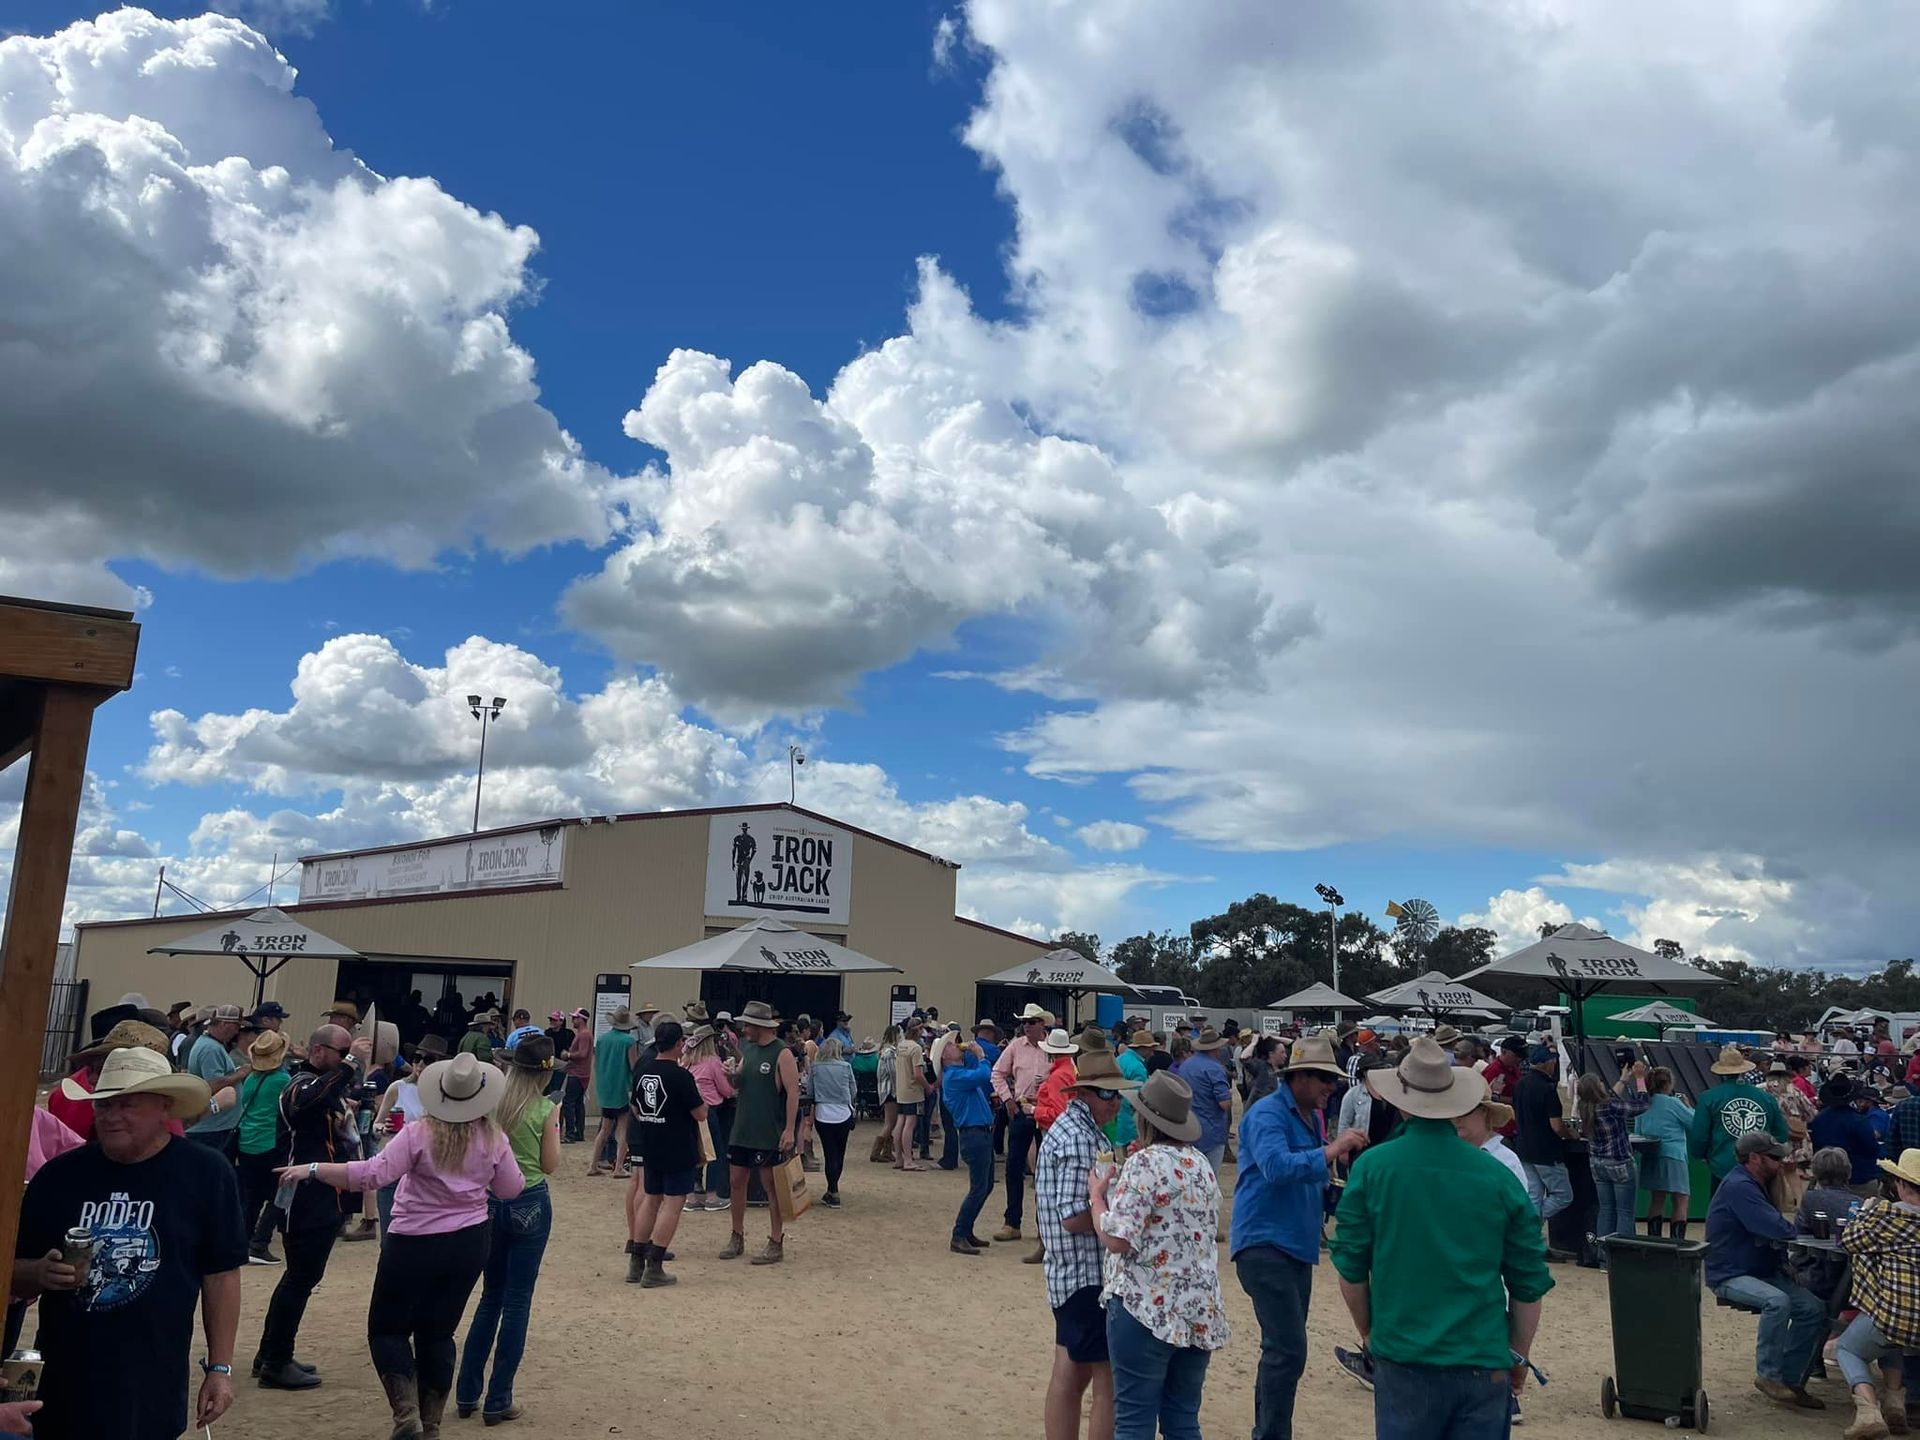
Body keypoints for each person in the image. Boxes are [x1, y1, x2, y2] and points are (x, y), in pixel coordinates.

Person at [281, 1051, 524, 1438]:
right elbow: (511, 1189)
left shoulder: (418, 1132)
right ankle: (430, 1423)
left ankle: (405, 1413)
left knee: (387, 1329)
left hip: (413, 1241)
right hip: (468, 1241)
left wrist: (314, 1169)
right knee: (439, 1333)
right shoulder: (493, 1137)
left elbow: (372, 1175)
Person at [16, 1046, 244, 1440]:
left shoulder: (205, 1173)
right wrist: (37, 1273)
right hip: (66, 1379)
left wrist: (220, 1369)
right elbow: (11, 1272)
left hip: (152, 1379)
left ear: (163, 1108)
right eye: (103, 1105)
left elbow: (221, 1275)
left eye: (127, 1105)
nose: (110, 1117)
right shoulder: (58, 1177)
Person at [1330, 1036, 1553, 1440]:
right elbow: (1529, 1282)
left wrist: (1369, 1333)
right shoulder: (1497, 1177)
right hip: (1481, 1358)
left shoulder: (1373, 1169)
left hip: (1402, 1352)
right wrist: (1518, 1355)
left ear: (1400, 1102)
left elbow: (1350, 1267)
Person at [1233, 1032, 1368, 1440]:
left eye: (1333, 1081)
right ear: (1299, 1078)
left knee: (1282, 1351)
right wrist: (1333, 1150)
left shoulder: (1310, 1116)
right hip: (1264, 1243)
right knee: (1287, 1350)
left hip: (1291, 1244)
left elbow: (1302, 1174)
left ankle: (1270, 1432)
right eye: (1324, 1080)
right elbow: (1276, 1167)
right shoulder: (1268, 1114)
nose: (1331, 1088)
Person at [1090, 1072, 1229, 1440]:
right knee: (1183, 1419)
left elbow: (1117, 1239)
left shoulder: (1143, 1164)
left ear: (1144, 1119)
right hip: (1198, 1306)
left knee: (1134, 1420)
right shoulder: (1200, 1165)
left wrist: (1097, 1198)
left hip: (1145, 1306)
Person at [253, 1023, 373, 1390]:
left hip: (322, 1195)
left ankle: (271, 1353)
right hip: (304, 1198)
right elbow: (311, 1099)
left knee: (300, 1278)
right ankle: (275, 1359)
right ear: (319, 1051)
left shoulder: (318, 1084)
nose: (344, 1063)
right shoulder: (299, 1084)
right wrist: (351, 1065)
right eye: (340, 1053)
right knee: (299, 1279)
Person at [1030, 1047, 1137, 1439]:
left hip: (1070, 1275)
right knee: (1108, 1385)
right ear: (1085, 1094)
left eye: (1117, 1093)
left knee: (1070, 1373)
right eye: (1108, 1094)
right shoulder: (1078, 1138)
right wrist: (1109, 1213)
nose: (1116, 1102)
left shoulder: (1075, 1130)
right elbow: (1072, 1218)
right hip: (1085, 1275)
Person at [453, 1035, 559, 1422]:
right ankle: (500, 1397)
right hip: (529, 1198)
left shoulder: (491, 1104)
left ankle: (466, 1392)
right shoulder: (546, 1108)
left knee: (489, 1297)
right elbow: (550, 1164)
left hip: (490, 1198)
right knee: (517, 1301)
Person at [1704, 1131, 1828, 1410]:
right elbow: (1774, 1227)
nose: (1780, 1160)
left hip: (1759, 1269)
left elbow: (1775, 1228)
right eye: (1774, 1157)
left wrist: (1784, 1263)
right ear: (1754, 1158)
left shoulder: (1755, 1183)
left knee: (1813, 1309)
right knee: (1777, 1301)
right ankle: (1769, 1376)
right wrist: (1788, 1229)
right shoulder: (1740, 1186)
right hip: (1729, 1271)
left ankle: (1791, 1382)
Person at [1834, 1150, 1920, 1438]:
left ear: (1902, 1185)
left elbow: (1850, 1241)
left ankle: (1868, 1411)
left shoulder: (1888, 1214)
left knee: (1847, 1348)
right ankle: (1894, 1403)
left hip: (1898, 1313)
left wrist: (1866, 1212)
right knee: (1892, 1336)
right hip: (1910, 1319)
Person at [721, 1000, 800, 1265]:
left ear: (759, 1026)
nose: (743, 1029)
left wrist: (789, 1129)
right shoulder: (749, 1049)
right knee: (736, 1181)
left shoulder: (782, 1053)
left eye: (746, 1025)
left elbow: (793, 1093)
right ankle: (737, 1234)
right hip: (742, 1128)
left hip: (768, 1131)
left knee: (771, 1187)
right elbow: (739, 1084)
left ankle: (776, 1240)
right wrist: (731, 1075)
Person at [218, 1029, 292, 1265]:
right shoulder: (282, 1080)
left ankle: (243, 1241)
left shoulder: (251, 1078)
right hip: (270, 1143)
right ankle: (260, 1243)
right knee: (278, 1195)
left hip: (247, 1142)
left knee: (251, 1197)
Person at [992, 1003, 1053, 1241]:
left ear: (1041, 1024)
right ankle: (1012, 1222)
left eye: (1031, 1022)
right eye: (1025, 1022)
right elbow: (997, 1073)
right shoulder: (1016, 1046)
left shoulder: (1053, 1048)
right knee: (1014, 1167)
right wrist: (1007, 1099)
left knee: (1046, 1171)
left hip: (1046, 1111)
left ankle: (1043, 1225)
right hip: (1020, 1108)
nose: (1026, 1026)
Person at [1691, 1044, 1789, 1187]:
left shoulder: (1708, 1098)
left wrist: (1702, 1154)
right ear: (1744, 1069)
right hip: (1759, 1168)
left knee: (1723, 1208)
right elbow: (1781, 1134)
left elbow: (1699, 1137)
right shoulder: (1766, 1097)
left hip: (1722, 1166)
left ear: (1720, 1072)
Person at [1578, 1063, 1652, 1249]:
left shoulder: (1584, 1107)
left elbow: (1609, 1097)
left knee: (1606, 1210)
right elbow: (1642, 1105)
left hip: (1597, 1163)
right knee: (1625, 1211)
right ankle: (1623, 1255)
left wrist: (1623, 1079)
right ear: (1597, 1087)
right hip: (1619, 1162)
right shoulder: (1609, 1106)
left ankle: (1604, 1257)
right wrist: (1640, 1078)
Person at [1509, 1045, 1574, 1255]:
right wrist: (1570, 1133)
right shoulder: (1547, 1088)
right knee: (1564, 1195)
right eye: (1553, 1060)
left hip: (1524, 1147)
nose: (1555, 1064)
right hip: (1546, 1150)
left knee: (1534, 1195)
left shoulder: (1520, 1084)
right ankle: (1530, 1228)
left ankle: (1531, 1240)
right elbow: (1556, 1125)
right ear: (1547, 1062)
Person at [945, 1035, 1000, 1255]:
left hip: (978, 1133)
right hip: (974, 1134)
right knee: (980, 1187)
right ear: (945, 1057)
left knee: (984, 1185)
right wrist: (981, 1055)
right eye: (949, 1045)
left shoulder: (957, 1075)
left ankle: (965, 1231)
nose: (955, 1045)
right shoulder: (955, 1076)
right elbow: (985, 1074)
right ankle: (959, 1233)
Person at [1635, 1067, 1697, 1238]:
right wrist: (1689, 1106)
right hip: (1673, 1155)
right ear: (1668, 1083)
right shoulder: (1673, 1103)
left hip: (1651, 1154)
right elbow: (1694, 1123)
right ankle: (1677, 1243)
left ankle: (1654, 1242)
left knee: (1657, 1199)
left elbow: (1638, 1130)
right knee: (1681, 1199)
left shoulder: (1643, 1103)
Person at [184, 1003, 248, 1161]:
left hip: (216, 1127)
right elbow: (213, 1085)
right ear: (225, 1024)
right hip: (213, 1129)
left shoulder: (210, 1045)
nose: (237, 1031)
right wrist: (240, 1073)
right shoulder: (210, 1049)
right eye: (236, 1026)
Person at [685, 1024, 737, 1211]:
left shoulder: (687, 1060)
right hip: (709, 1110)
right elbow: (726, 1090)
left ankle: (690, 1196)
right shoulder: (713, 1061)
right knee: (715, 1153)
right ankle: (712, 1197)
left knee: (694, 1152)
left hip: (689, 1110)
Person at [1174, 1028, 1236, 1179]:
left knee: (1189, 1176)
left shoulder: (1185, 1066)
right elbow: (1224, 1104)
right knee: (1210, 1178)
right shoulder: (1215, 1069)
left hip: (1187, 1129)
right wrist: (1230, 1095)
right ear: (1216, 1048)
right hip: (1212, 1131)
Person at [1812, 1075, 1883, 1197]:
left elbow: (1816, 1146)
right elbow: (1872, 1149)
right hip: (1859, 1179)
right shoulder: (1859, 1121)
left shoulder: (1818, 1119)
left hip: (1827, 1179)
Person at [588, 1007, 639, 1176]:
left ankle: (593, 1165)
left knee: (605, 1128)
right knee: (623, 1129)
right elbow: (633, 1067)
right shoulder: (629, 1041)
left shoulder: (602, 1039)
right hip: (622, 1089)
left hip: (605, 1089)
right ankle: (618, 1167)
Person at [809, 1037, 857, 1207]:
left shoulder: (815, 1067)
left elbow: (810, 1091)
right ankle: (833, 1189)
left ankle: (833, 1190)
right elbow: (853, 1090)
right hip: (843, 1111)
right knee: (840, 1152)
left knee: (829, 1153)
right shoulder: (846, 1067)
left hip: (823, 1112)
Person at [1768, 1060, 1816, 1207]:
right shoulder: (1795, 1091)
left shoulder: (1763, 1091)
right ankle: (1800, 1203)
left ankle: (1778, 1202)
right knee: (1791, 1171)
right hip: (1795, 1137)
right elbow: (1811, 1113)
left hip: (1773, 1136)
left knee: (1775, 1172)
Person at [1454, 1094, 1527, 1188]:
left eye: (1465, 1111)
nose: (1456, 1119)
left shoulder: (1505, 1160)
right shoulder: (1444, 1154)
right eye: (1451, 1114)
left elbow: (1518, 1201)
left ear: (1484, 1111)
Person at [892, 1013, 930, 1171]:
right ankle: (908, 1159)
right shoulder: (915, 1048)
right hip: (913, 1090)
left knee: (900, 1123)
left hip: (901, 1088)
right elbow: (918, 1074)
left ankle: (899, 1157)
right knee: (910, 1124)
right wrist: (928, 1087)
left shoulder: (901, 1045)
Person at [560, 1009, 591, 1143]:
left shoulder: (583, 1035)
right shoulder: (585, 1034)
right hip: (582, 1073)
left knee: (569, 1103)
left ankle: (570, 1134)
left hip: (577, 1073)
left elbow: (583, 1054)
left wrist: (568, 1055)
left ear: (581, 1019)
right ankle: (579, 1133)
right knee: (578, 1104)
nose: (572, 1020)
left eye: (575, 1018)